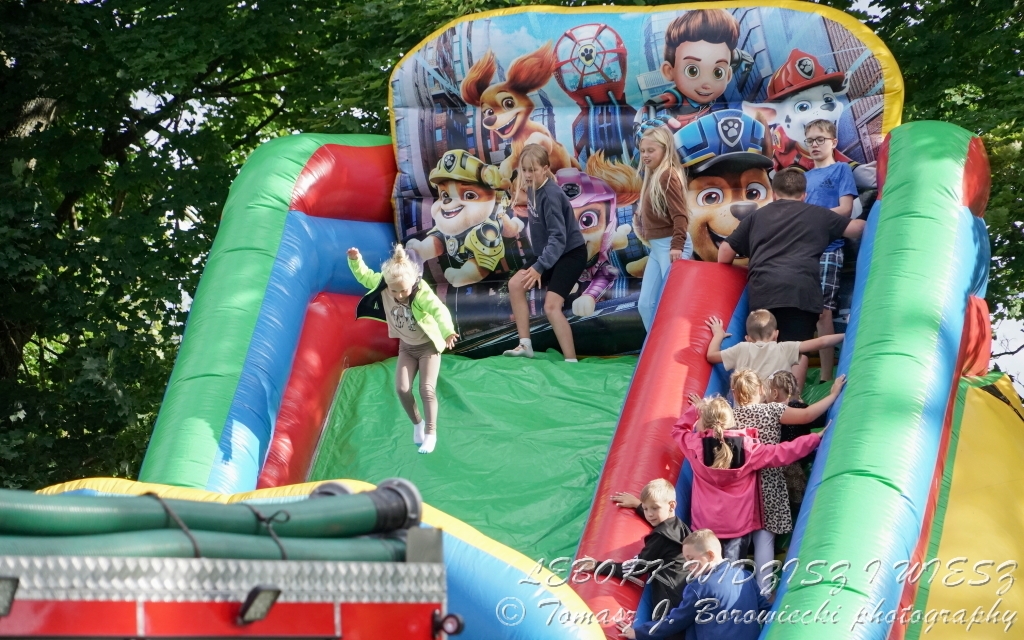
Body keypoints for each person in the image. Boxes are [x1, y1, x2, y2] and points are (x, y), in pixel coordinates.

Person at [718, 167, 865, 388]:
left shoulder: (756, 217)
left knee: (762, 347)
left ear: (773, 193)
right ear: (804, 194)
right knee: (797, 348)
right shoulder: (818, 214)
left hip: (764, 288)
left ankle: (760, 398)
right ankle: (793, 401)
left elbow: (725, 252)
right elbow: (855, 229)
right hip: (801, 290)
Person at [730, 369, 845, 593]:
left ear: (734, 393)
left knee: (739, 540)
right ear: (761, 389)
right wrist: (832, 394)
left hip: (739, 485)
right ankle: (764, 590)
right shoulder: (772, 410)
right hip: (769, 481)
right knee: (765, 539)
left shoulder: (730, 416)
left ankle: (734, 591)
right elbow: (807, 415)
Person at [670, 397, 823, 565]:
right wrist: (814, 438)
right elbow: (783, 452)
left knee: (706, 568)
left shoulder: (694, 446)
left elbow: (678, 430)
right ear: (731, 421)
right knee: (733, 570)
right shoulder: (748, 448)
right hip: (738, 525)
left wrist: (696, 409)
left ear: (703, 422)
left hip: (705, 525)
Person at [348, 244, 458, 454]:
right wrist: (355, 260)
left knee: (426, 389)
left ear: (413, 282)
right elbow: (364, 276)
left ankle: (431, 433)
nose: (399, 296)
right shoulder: (384, 284)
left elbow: (439, 310)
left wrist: (447, 331)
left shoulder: (420, 291)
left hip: (428, 347)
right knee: (402, 388)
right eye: (394, 291)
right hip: (407, 347)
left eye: (404, 291)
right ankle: (417, 424)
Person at [503, 144, 588, 361]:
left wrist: (540, 267)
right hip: (550, 252)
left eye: (532, 170)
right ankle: (525, 345)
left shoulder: (550, 195)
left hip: (570, 253)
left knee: (551, 306)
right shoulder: (533, 187)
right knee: (515, 285)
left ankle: (571, 360)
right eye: (524, 170)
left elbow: (559, 238)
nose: (527, 175)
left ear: (545, 168)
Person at [621, 529, 769, 640]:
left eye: (691, 559)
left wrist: (639, 633)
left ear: (710, 555)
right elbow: (765, 608)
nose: (687, 565)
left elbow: (677, 620)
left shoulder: (700, 587)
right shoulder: (745, 576)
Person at [803, 119, 858, 383]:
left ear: (833, 142)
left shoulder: (841, 170)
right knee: (802, 312)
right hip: (802, 249)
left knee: (823, 311)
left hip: (829, 247)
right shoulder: (803, 177)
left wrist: (812, 216)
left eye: (820, 139)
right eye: (810, 140)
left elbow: (845, 209)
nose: (814, 145)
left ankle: (826, 376)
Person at [585, 478, 691, 614]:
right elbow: (656, 517)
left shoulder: (661, 537)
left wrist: (598, 566)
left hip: (669, 604)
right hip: (684, 594)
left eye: (655, 508)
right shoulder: (680, 526)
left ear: (671, 505)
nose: (649, 514)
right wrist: (638, 504)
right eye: (646, 508)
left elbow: (636, 568)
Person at [634, 125, 691, 331]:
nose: (645, 155)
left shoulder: (667, 175)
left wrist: (677, 246)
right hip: (658, 248)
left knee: (673, 304)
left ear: (665, 150)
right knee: (645, 304)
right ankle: (655, 345)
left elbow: (680, 215)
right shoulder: (654, 176)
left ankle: (676, 344)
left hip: (671, 246)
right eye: (642, 151)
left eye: (651, 150)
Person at [705, 309, 844, 384]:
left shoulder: (741, 348)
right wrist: (845, 335)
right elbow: (821, 342)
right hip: (777, 413)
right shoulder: (784, 348)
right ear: (776, 334)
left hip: (746, 413)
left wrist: (718, 334)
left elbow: (711, 356)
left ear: (748, 338)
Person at [765, 369, 823, 522]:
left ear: (775, 394)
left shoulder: (772, 413)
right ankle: (800, 510)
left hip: (782, 461)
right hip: (800, 457)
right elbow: (819, 418)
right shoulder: (800, 408)